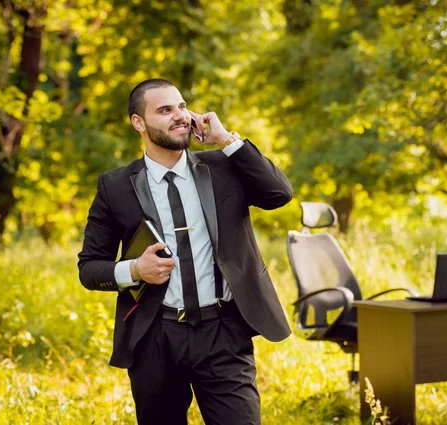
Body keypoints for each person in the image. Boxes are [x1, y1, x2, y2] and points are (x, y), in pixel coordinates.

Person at [77, 78, 293, 425]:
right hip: (154, 338)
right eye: (164, 110)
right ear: (139, 122)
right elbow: (89, 268)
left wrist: (226, 139)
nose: (179, 116)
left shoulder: (223, 166)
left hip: (223, 333)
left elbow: (279, 194)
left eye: (181, 106)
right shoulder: (115, 186)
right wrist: (134, 270)